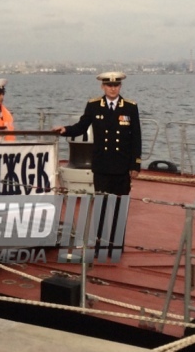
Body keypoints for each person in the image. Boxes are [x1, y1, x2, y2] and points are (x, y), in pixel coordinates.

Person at [52, 71, 141, 255]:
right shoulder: (94, 106)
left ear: (120, 87)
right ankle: (101, 244)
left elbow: (136, 138)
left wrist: (135, 165)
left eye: (116, 85)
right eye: (109, 85)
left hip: (121, 167)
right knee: (100, 206)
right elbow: (81, 126)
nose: (112, 88)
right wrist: (65, 130)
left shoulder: (130, 107)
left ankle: (116, 245)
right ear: (103, 86)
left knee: (119, 207)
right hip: (102, 166)